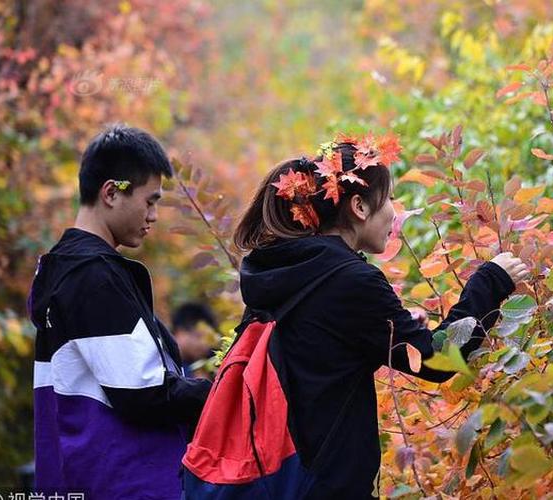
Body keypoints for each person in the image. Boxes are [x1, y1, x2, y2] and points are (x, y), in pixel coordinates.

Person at [192, 134, 529, 498]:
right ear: (359, 207)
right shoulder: (349, 280)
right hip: (328, 486)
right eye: (387, 199)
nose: (394, 212)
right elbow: (436, 361)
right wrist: (490, 281)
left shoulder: (283, 275)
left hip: (286, 479)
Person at [28, 125, 212, 498]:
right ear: (111, 192)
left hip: (91, 474)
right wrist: (223, 392)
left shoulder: (68, 270)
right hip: (122, 480)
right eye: (150, 201)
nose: (155, 215)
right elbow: (142, 392)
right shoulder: (91, 276)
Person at [171, 302, 217, 378]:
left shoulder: (201, 365)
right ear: (180, 332)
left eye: (208, 339)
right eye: (199, 336)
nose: (205, 344)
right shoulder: (163, 364)